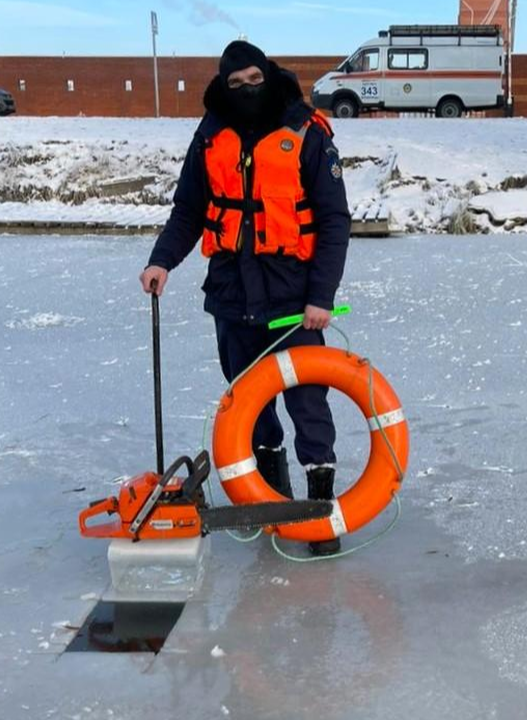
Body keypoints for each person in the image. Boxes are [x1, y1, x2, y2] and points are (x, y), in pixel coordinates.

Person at [139, 41, 351, 556]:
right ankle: (274, 502)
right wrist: (162, 259)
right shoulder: (211, 135)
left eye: (253, 78)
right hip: (233, 297)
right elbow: (189, 209)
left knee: (308, 403)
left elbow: (333, 220)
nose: (246, 90)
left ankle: (320, 509)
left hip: (295, 298)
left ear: (268, 74)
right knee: (249, 405)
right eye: (235, 84)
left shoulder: (307, 131)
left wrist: (321, 296)